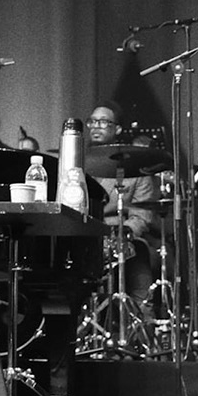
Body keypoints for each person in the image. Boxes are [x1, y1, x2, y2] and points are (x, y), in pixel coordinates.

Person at [85, 104, 159, 299]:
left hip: (122, 238)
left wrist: (119, 236)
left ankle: (140, 311)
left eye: (103, 122)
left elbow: (142, 216)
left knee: (139, 257)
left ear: (117, 129)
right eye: (93, 121)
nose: (96, 126)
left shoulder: (135, 169)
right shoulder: (77, 164)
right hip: (84, 237)